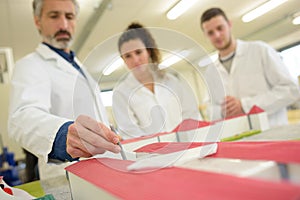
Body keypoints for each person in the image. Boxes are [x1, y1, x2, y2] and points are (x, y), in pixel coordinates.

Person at [8, 0, 121, 180]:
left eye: (69, 16)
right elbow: (21, 117)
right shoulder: (30, 65)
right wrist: (63, 135)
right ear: (38, 21)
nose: (63, 24)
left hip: (105, 166)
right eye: (54, 16)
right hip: (67, 176)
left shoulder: (79, 66)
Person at [200, 7, 300, 127]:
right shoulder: (211, 71)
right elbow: (209, 107)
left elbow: (290, 90)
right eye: (210, 33)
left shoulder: (260, 50)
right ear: (205, 35)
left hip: (272, 134)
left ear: (229, 24)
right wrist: (222, 111)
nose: (217, 35)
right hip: (240, 139)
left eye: (220, 28)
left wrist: (244, 105)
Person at [112, 22, 202, 139]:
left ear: (148, 51)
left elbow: (191, 114)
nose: (135, 60)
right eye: (128, 56)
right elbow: (130, 133)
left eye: (138, 52)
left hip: (187, 146)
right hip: (152, 155)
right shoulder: (121, 93)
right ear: (123, 59)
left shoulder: (171, 81)